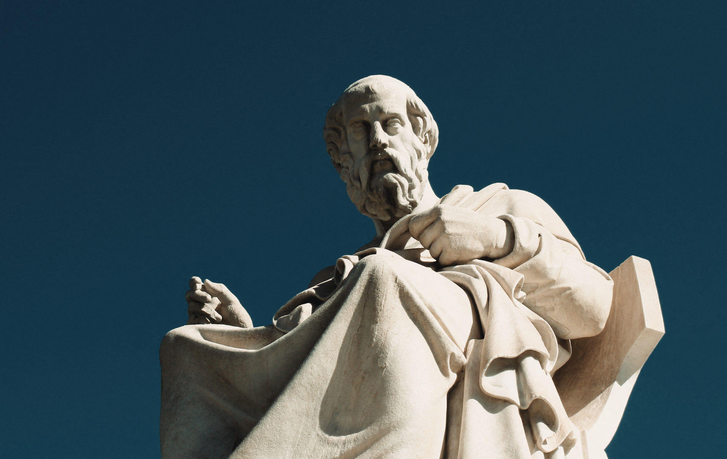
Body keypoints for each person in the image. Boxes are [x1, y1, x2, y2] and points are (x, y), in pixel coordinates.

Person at [160, 75, 614, 459]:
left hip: (472, 366)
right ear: (345, 160)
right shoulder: (344, 275)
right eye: (360, 130)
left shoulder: (495, 205)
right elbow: (323, 377)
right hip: (376, 307)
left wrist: (495, 238)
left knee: (383, 277)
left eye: (390, 123)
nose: (378, 139)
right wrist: (252, 339)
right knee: (184, 349)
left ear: (422, 139)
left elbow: (593, 308)